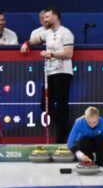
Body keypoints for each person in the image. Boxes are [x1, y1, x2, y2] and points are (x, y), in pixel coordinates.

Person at [29, 8, 75, 143]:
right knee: (45, 104)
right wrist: (26, 43)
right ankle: (67, 127)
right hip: (49, 73)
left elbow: (68, 54)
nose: (44, 20)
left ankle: (61, 139)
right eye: (43, 18)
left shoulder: (66, 33)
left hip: (63, 72)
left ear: (55, 17)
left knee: (62, 105)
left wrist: (51, 54)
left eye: (47, 17)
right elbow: (34, 40)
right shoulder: (47, 33)